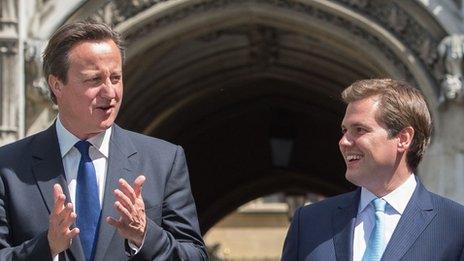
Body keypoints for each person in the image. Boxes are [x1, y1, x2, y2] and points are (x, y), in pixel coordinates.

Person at [0, 20, 207, 260]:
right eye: (94, 80)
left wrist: (144, 235)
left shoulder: (163, 161)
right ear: (57, 85)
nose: (110, 93)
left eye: (116, 78)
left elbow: (194, 255)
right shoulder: (8, 168)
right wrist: (46, 246)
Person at [282, 79, 464, 260]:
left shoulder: (455, 226)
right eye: (344, 130)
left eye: (359, 129)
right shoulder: (309, 223)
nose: (343, 142)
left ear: (403, 138)